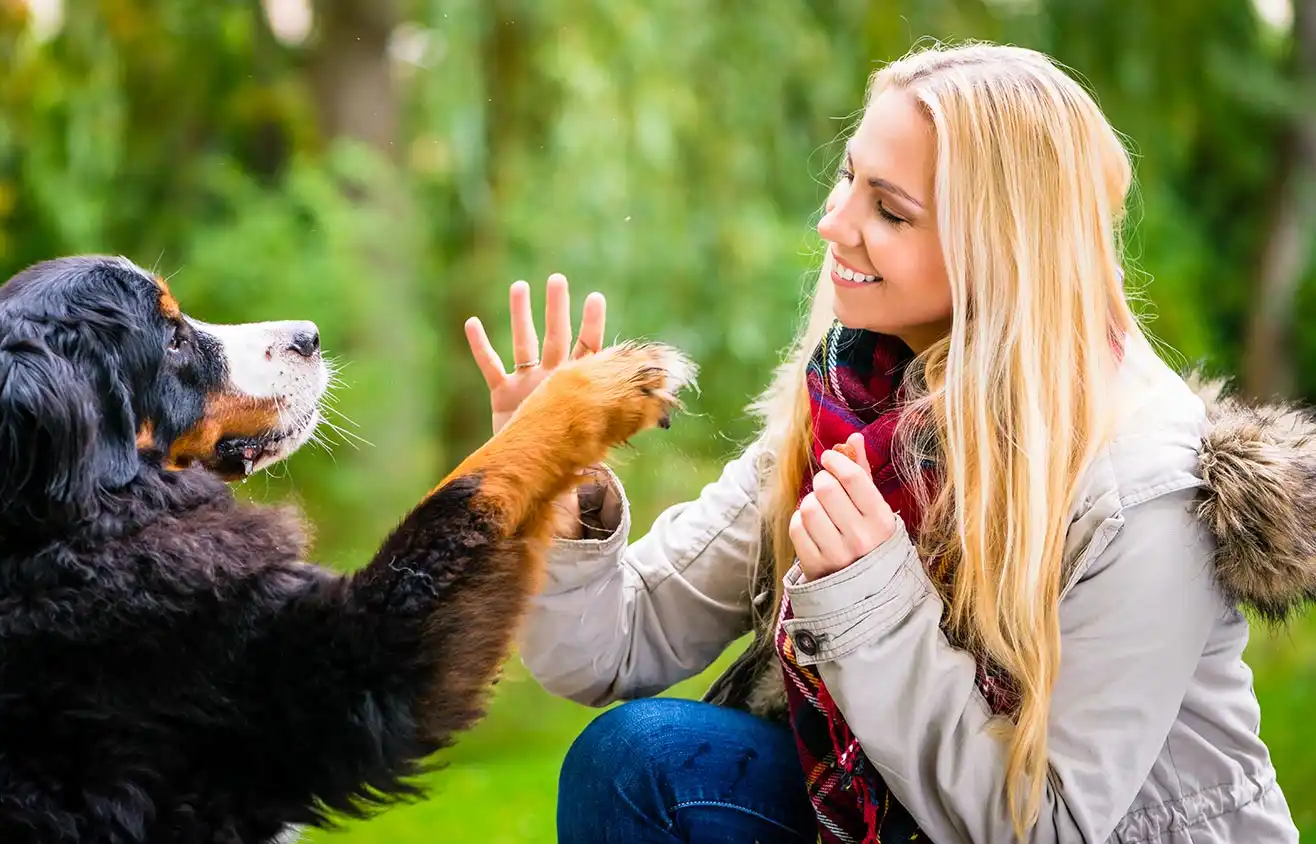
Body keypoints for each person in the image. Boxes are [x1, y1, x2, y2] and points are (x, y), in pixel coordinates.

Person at [462, 41, 1309, 843]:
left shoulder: (1145, 488)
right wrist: (556, 481)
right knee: (638, 761)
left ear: (1002, 250)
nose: (834, 223)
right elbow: (616, 645)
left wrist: (869, 599)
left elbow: (1046, 823)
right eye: (848, 177)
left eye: (889, 210)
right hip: (895, 815)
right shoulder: (857, 395)